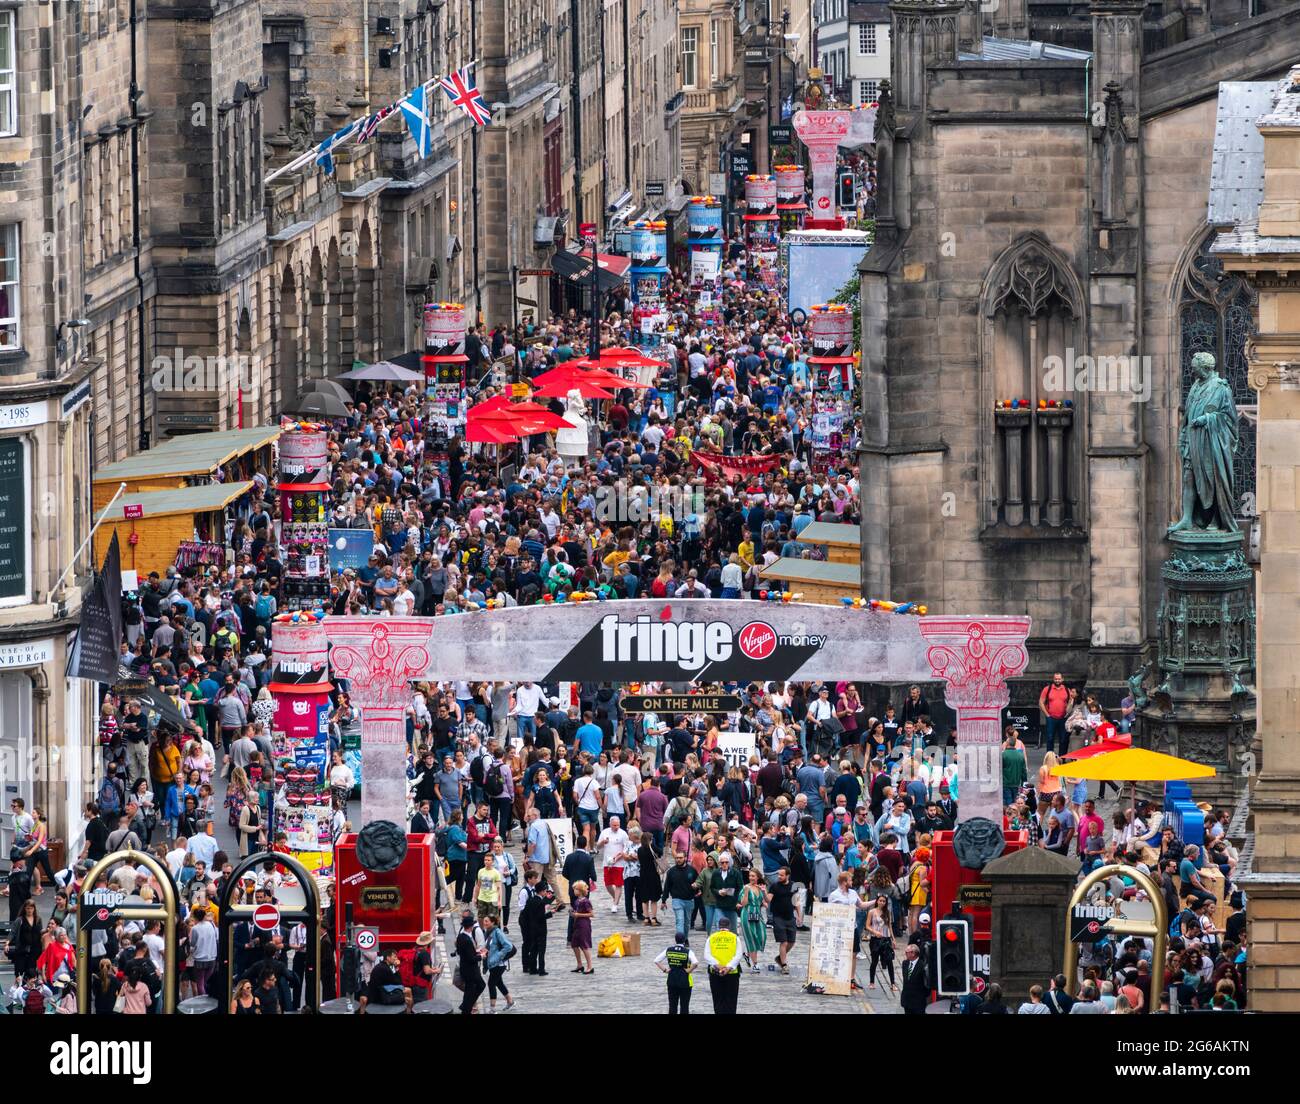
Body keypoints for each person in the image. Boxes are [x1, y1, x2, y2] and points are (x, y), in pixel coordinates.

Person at [704, 915, 744, 1014]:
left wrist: (717, 965)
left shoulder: (711, 938)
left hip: (715, 972)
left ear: (718, 926)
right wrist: (728, 967)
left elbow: (707, 955)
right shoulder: (735, 938)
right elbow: (738, 955)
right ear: (729, 926)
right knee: (731, 1000)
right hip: (732, 973)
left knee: (717, 999)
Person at [518, 868, 554, 975]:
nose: (536, 880)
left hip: (533, 919)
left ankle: (532, 965)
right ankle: (526, 965)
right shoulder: (524, 891)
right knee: (527, 942)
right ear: (529, 879)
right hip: (526, 919)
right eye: (535, 878)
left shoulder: (535, 889)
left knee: (533, 943)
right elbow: (522, 907)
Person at [764, 866, 798, 975]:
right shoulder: (774, 886)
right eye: (778, 874)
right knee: (784, 942)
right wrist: (764, 892)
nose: (779, 876)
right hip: (778, 917)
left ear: (787, 875)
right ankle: (784, 965)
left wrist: (800, 915)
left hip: (790, 917)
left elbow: (796, 901)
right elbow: (768, 899)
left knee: (791, 942)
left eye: (781, 875)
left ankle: (779, 958)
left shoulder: (793, 886)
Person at [654, 930, 698, 1014]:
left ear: (675, 940)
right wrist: (689, 970)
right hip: (685, 981)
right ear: (684, 940)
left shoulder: (669, 950)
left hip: (672, 980)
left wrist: (665, 970)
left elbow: (656, 960)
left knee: (672, 1006)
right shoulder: (688, 951)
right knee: (684, 1006)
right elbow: (695, 963)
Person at [480, 912, 517, 1012]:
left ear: (492, 922)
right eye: (484, 921)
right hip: (492, 964)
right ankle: (510, 1001)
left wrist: (497, 956)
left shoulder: (497, 932)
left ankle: (492, 1009)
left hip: (499, 964)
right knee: (498, 983)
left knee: (491, 983)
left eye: (487, 921)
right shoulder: (487, 932)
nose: (485, 923)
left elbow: (508, 946)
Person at [595, 815, 631, 913]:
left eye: (618, 825)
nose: (616, 827)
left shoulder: (623, 834)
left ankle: (615, 904)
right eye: (614, 825)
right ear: (610, 824)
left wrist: (618, 857)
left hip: (619, 863)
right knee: (608, 884)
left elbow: (627, 848)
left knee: (619, 884)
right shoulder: (605, 832)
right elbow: (597, 847)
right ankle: (616, 898)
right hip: (608, 862)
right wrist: (603, 842)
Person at [455, 912, 486, 1015]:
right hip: (470, 970)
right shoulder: (467, 939)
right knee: (480, 986)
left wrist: (476, 952)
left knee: (470, 990)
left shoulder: (461, 937)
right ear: (471, 926)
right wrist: (481, 956)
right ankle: (466, 1006)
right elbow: (471, 958)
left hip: (466, 968)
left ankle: (466, 1007)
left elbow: (462, 952)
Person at [737, 868, 767, 972]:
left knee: (762, 936)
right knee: (752, 939)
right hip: (747, 915)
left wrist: (764, 899)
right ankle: (755, 965)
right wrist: (745, 893)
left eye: (753, 876)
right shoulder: (745, 888)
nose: (751, 878)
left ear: (758, 877)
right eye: (750, 876)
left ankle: (747, 954)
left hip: (757, 915)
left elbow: (764, 901)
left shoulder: (760, 888)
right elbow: (743, 903)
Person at [568, 880, 594, 974]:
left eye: (575, 889)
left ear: (580, 890)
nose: (574, 891)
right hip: (577, 924)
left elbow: (591, 914)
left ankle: (590, 966)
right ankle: (579, 964)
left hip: (584, 924)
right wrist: (572, 913)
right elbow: (575, 911)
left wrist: (578, 914)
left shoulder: (586, 902)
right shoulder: (576, 901)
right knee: (574, 944)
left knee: (584, 945)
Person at [899, 942, 929, 1014]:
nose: (905, 954)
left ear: (913, 953)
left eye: (907, 952)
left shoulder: (922, 966)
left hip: (918, 1002)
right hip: (907, 1000)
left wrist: (922, 996)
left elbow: (927, 984)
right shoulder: (905, 963)